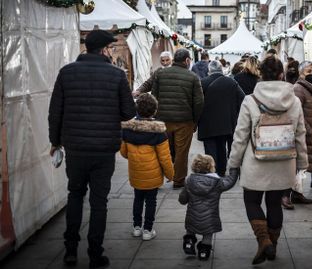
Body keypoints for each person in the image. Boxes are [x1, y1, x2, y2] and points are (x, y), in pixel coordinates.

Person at [48, 30, 136, 268]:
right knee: (99, 202)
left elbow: (55, 111)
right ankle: (95, 253)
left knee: (75, 195)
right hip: (104, 148)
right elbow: (129, 112)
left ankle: (70, 251)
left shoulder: (67, 73)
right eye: (110, 47)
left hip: (75, 147)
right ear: (104, 49)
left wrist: (54, 141)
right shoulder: (117, 75)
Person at [228, 55, 308, 264]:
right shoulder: (294, 101)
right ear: (282, 75)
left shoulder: (250, 100)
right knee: (274, 204)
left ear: (260, 75)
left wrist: (233, 164)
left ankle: (264, 241)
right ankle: (272, 242)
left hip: (255, 163)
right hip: (284, 163)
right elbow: (300, 134)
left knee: (251, 200)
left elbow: (240, 136)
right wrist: (302, 163)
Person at [119, 93, 174, 241]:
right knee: (151, 201)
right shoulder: (158, 132)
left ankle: (136, 227)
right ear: (154, 110)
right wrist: (170, 174)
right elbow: (165, 158)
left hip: (136, 174)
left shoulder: (128, 129)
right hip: (153, 176)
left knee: (137, 199)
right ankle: (148, 230)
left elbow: (124, 152)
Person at [150, 48, 204, 188]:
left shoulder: (160, 74)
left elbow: (154, 96)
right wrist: (195, 121)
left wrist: (155, 116)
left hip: (163, 119)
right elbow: (199, 102)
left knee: (163, 150)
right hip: (184, 121)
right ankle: (178, 180)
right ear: (187, 60)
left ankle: (158, 177)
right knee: (181, 152)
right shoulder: (192, 77)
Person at [179, 154, 239, 261]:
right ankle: (203, 252)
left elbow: (182, 199)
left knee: (190, 231)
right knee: (207, 235)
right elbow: (230, 181)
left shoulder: (189, 181)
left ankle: (188, 243)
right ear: (211, 167)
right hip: (210, 219)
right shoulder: (217, 183)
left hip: (192, 217)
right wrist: (234, 167)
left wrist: (184, 197)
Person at [198, 60, 245, 176]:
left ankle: (211, 172)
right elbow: (243, 98)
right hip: (226, 122)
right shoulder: (231, 82)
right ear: (221, 69)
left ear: (209, 70)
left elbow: (196, 103)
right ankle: (222, 171)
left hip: (207, 122)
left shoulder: (202, 83)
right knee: (222, 147)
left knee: (210, 148)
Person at [293, 61, 312, 194]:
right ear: (301, 73)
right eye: (308, 71)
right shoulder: (299, 88)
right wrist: (308, 129)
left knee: (304, 166)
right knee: (298, 166)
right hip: (304, 133)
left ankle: (298, 193)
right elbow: (296, 112)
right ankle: (291, 194)